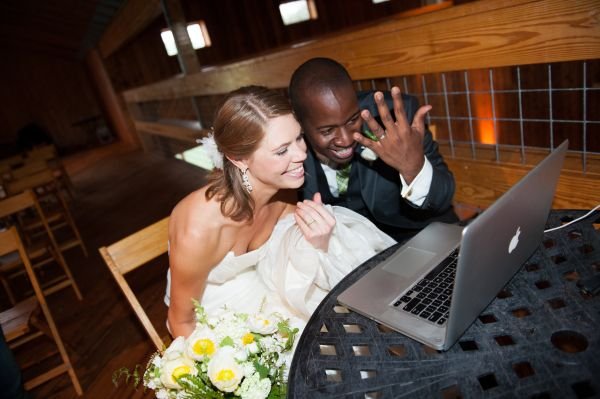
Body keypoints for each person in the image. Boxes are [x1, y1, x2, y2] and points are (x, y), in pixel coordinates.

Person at [165, 86, 395, 339]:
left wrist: (318, 243)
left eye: (299, 138)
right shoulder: (200, 227)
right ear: (239, 159)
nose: (301, 155)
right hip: (212, 313)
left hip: (264, 291)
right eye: (282, 150)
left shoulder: (284, 191)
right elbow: (181, 321)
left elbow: (288, 255)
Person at [289, 58, 458, 242]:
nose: (346, 140)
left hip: (419, 237)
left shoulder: (395, 118)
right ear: (300, 123)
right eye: (327, 131)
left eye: (353, 120)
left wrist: (414, 169)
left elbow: (443, 197)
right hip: (349, 253)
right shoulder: (287, 144)